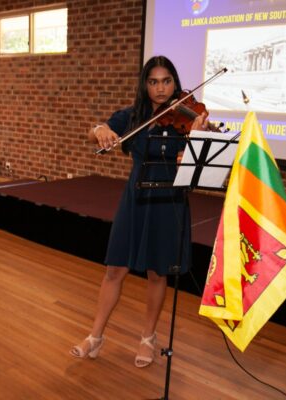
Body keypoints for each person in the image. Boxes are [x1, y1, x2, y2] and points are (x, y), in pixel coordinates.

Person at [70, 55, 208, 367]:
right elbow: (94, 134)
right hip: (136, 199)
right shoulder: (133, 116)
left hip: (169, 200)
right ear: (145, 85)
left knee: (157, 273)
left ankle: (148, 338)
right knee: (114, 269)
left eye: (167, 81)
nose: (161, 89)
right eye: (153, 82)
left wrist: (198, 139)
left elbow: (198, 162)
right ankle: (95, 336)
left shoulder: (188, 116)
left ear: (175, 82)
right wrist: (100, 128)